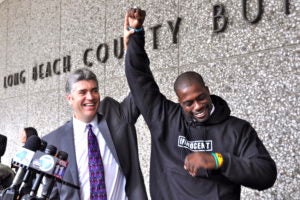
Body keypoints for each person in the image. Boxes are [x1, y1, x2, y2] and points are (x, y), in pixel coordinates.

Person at [124, 8, 277, 200]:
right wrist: (136, 34)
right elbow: (140, 78)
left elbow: (266, 174)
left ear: (207, 89)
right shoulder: (165, 118)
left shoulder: (237, 129)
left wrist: (218, 160)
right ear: (179, 102)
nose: (197, 106)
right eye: (188, 103)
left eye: (201, 97)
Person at [42, 68, 147, 200]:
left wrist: (132, 52)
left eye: (94, 90)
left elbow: (141, 86)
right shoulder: (54, 142)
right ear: (70, 99)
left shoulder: (117, 117)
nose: (90, 97)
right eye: (82, 92)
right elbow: (51, 194)